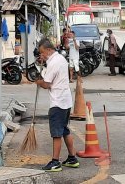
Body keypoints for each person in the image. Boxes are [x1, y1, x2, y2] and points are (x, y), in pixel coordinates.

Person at [34, 38, 80, 172]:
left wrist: (38, 82)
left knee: (56, 133)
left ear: (48, 50)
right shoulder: (60, 59)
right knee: (65, 130)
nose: (41, 55)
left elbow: (47, 84)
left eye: (42, 53)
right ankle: (72, 158)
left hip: (58, 103)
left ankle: (55, 162)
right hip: (65, 101)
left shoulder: (53, 62)